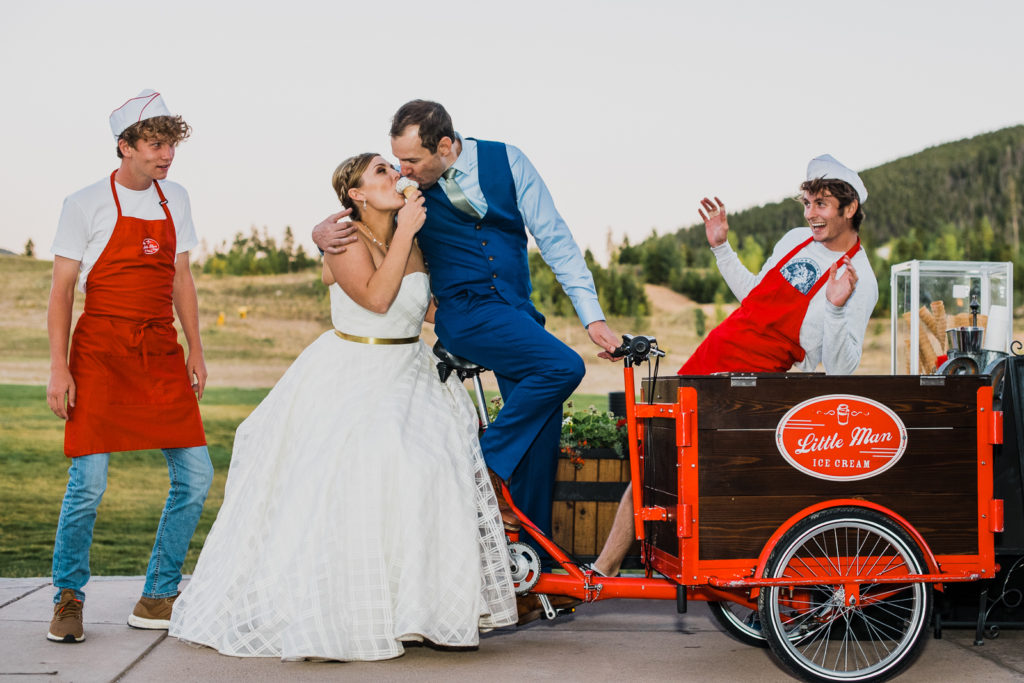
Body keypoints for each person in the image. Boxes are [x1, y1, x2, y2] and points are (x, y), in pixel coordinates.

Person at [170, 153, 517, 660]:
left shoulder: (412, 236)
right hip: (354, 369)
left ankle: (420, 610)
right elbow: (377, 300)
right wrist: (404, 233)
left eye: (390, 167)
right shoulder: (343, 239)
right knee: (361, 467)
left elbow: (423, 309)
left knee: (432, 471)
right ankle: (341, 611)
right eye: (379, 171)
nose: (392, 175)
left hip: (411, 372)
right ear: (354, 194)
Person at [313, 100, 620, 623]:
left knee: (539, 449)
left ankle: (530, 579)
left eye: (412, 161)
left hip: (518, 314)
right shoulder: (407, 197)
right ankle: (479, 463)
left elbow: (556, 240)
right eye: (395, 161)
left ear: (447, 146)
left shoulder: (508, 162)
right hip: (468, 316)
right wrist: (321, 237)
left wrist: (592, 317)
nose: (404, 171)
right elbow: (361, 232)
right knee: (565, 368)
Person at [590, 154, 879, 577]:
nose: (810, 215)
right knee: (652, 457)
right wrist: (721, 247)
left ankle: (620, 566)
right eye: (807, 203)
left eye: (821, 204)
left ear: (849, 208)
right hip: (716, 351)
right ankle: (611, 567)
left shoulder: (861, 279)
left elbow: (838, 367)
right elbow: (755, 296)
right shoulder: (796, 238)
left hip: (755, 380)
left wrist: (836, 308)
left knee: (695, 471)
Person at [45, 90, 213, 643]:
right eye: (155, 144)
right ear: (125, 146)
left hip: (160, 350)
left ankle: (159, 594)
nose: (166, 155)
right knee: (88, 483)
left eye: (171, 144)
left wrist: (196, 347)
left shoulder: (176, 198)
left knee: (196, 476)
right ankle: (68, 597)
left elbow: (181, 278)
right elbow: (63, 290)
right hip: (98, 351)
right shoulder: (85, 202)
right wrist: (58, 368)